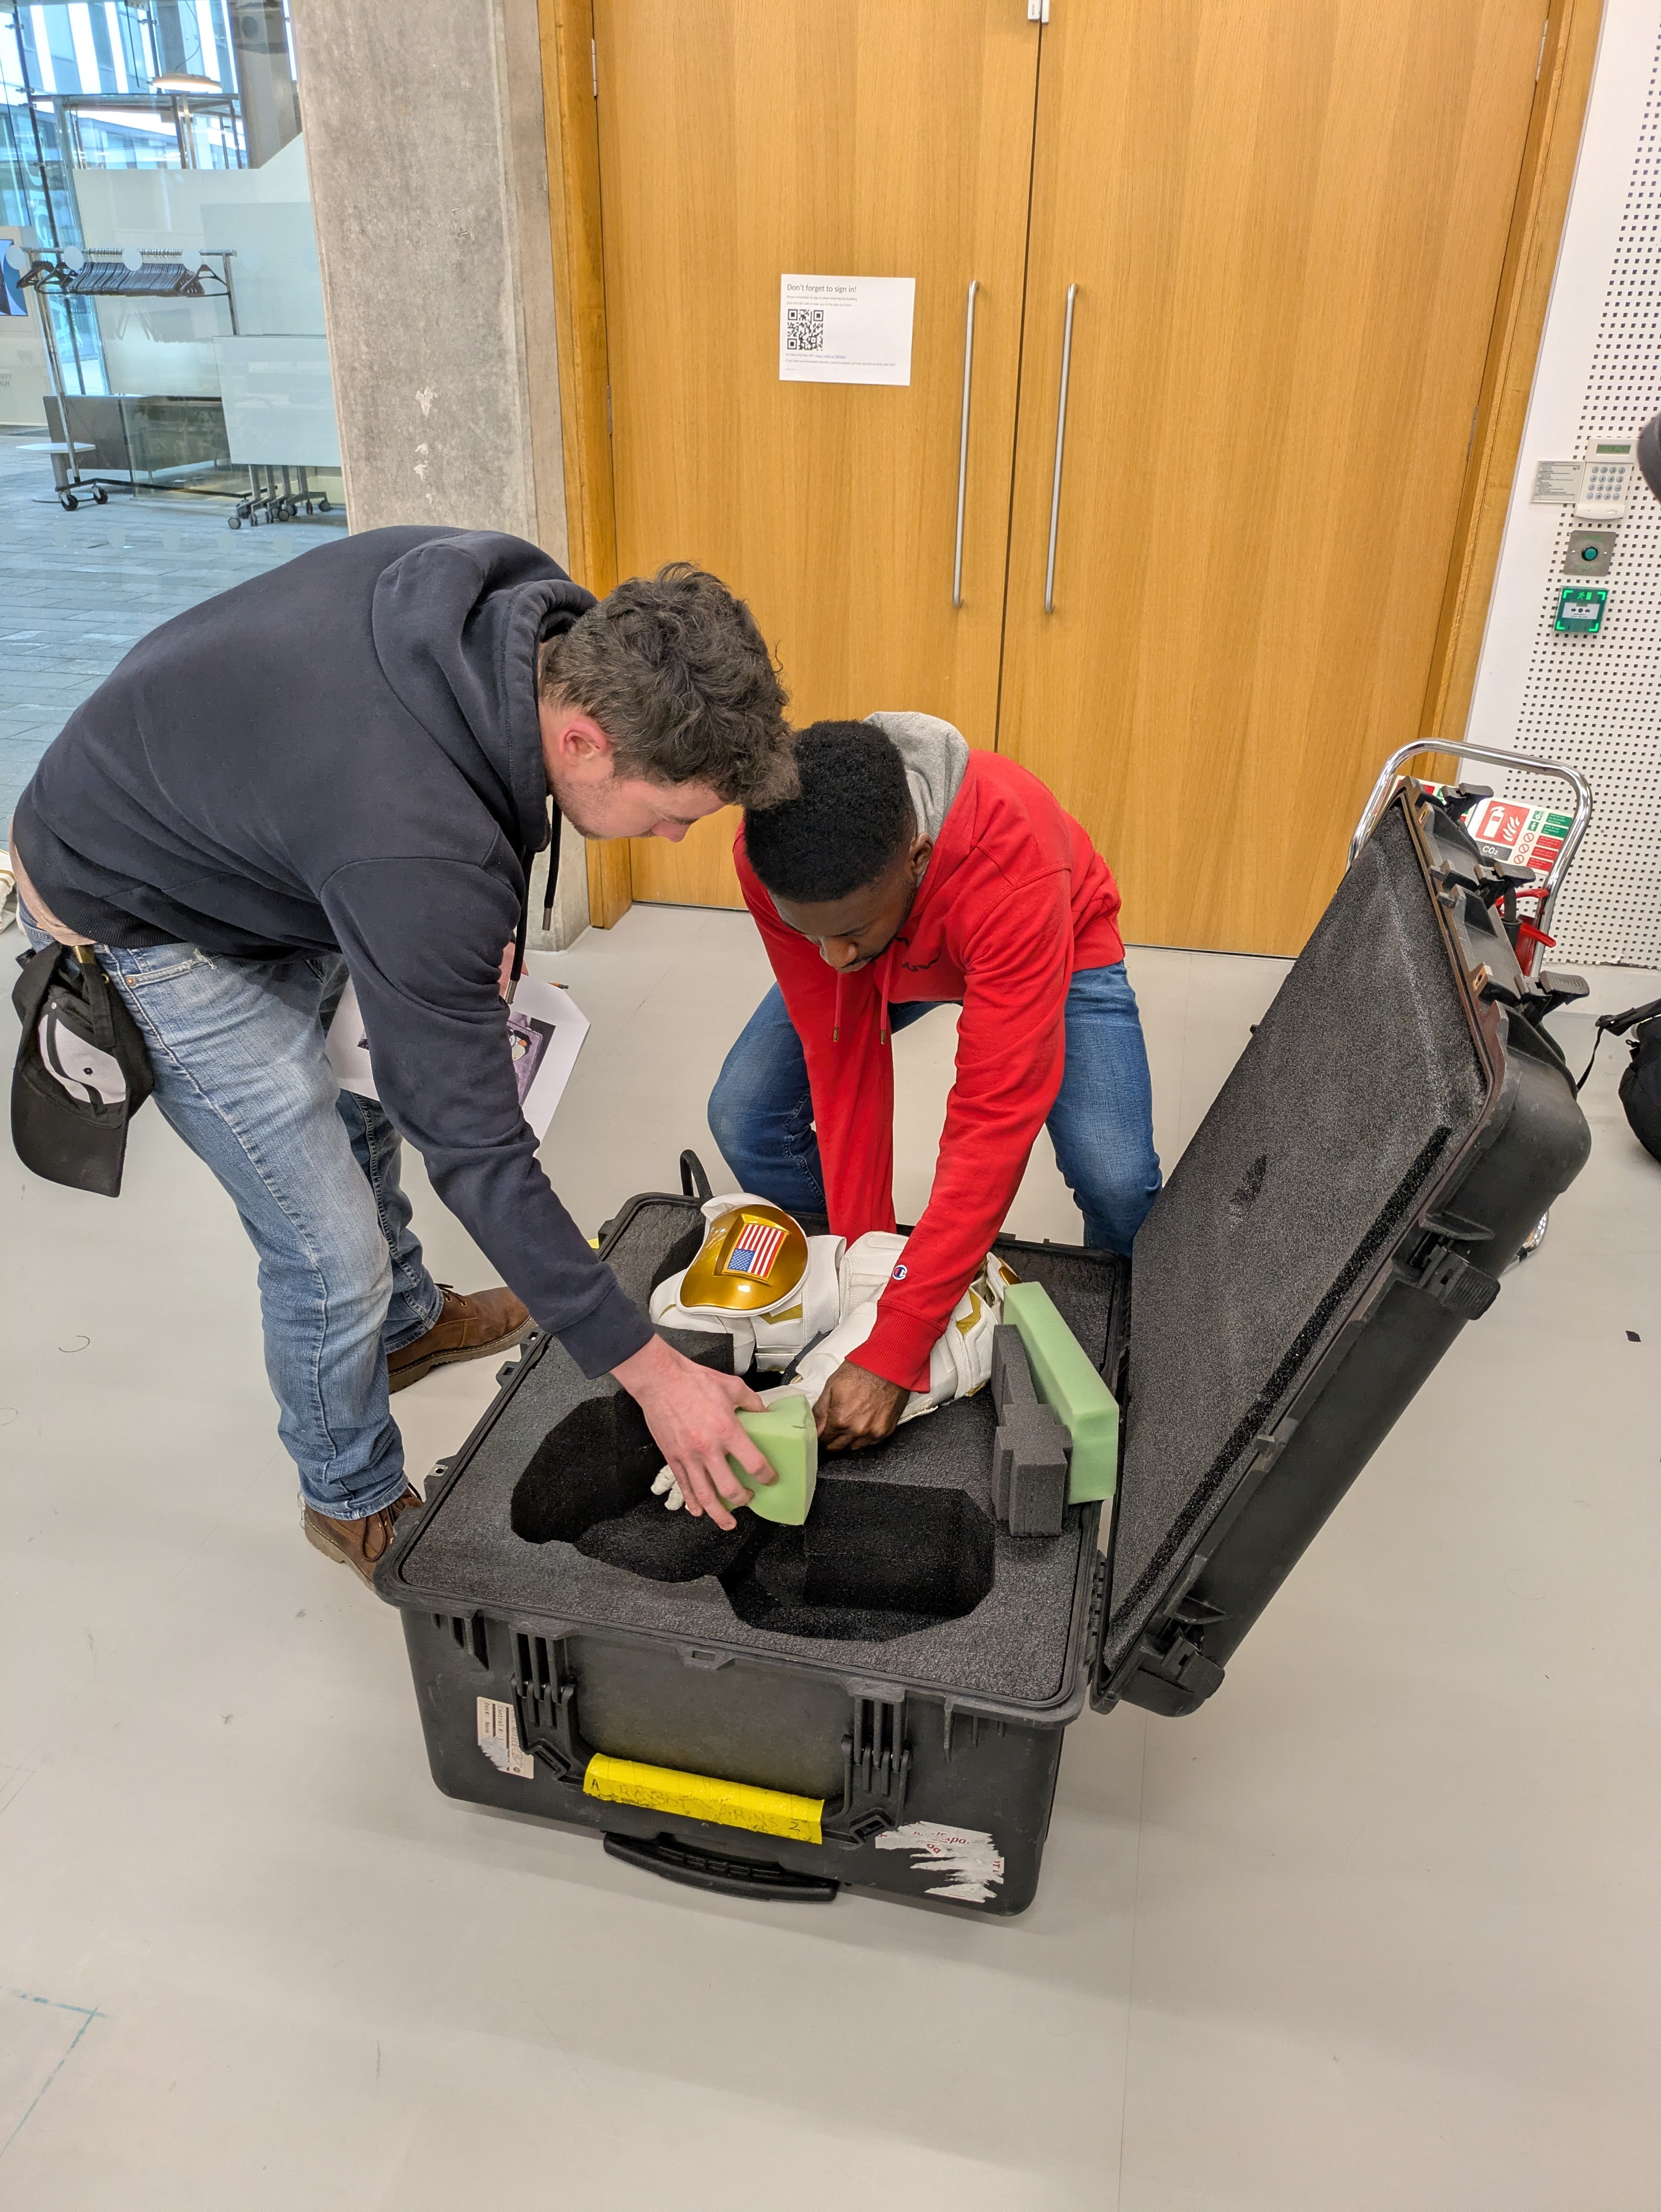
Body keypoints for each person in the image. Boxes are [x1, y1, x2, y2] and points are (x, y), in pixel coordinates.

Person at [9, 529, 797, 1567]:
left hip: (268, 827)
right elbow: (476, 1150)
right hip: (145, 911)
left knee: (370, 1089)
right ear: (586, 742)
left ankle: (405, 1325)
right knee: (330, 1251)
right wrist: (653, 1374)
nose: (674, 841)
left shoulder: (517, 611)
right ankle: (348, 1496)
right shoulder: (414, 849)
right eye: (670, 813)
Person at [709, 712, 1161, 1451]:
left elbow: (992, 1120)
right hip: (894, 942)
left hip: (1049, 938)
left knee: (1114, 1175)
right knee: (744, 1113)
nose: (828, 954)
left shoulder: (1013, 860)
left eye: (844, 929)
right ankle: (842, 1282)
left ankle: (1130, 1341)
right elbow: (843, 1059)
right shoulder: (781, 859)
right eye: (809, 931)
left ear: (916, 858)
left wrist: (898, 1349)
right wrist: (870, 1291)